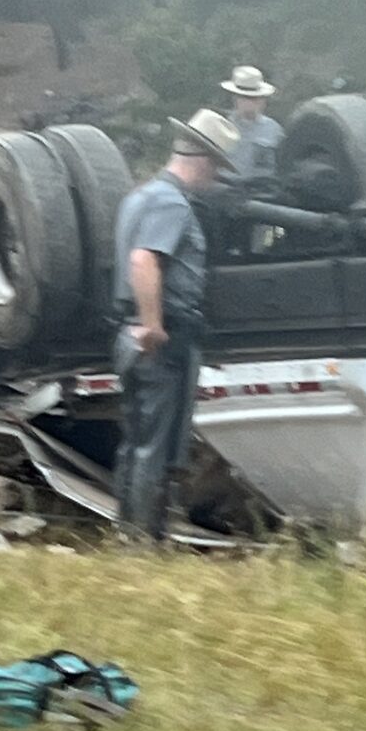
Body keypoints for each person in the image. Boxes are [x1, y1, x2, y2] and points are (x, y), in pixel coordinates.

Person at [112, 108, 240, 540]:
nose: (217, 178)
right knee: (158, 448)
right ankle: (144, 543)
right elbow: (144, 259)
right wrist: (154, 325)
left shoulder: (140, 196)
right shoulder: (171, 202)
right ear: (203, 159)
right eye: (218, 167)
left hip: (128, 335)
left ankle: (128, 533)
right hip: (160, 339)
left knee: (136, 441)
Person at [220, 65, 284, 183]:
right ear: (235, 98)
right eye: (244, 97)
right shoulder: (219, 126)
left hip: (257, 193)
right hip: (223, 190)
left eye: (254, 98)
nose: (249, 103)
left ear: (263, 100)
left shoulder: (274, 130)